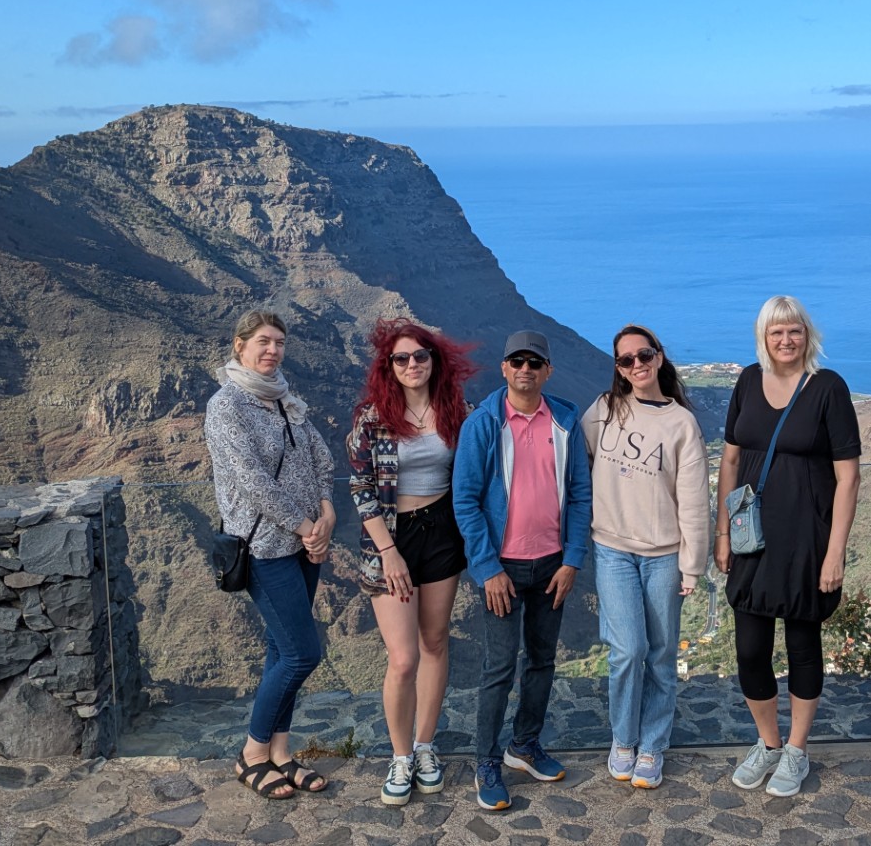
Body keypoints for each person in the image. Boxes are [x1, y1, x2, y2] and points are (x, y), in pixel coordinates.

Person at [714, 295, 861, 798]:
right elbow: (730, 462)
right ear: (764, 336)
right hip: (751, 540)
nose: (786, 339)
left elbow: (848, 477)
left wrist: (835, 552)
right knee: (750, 651)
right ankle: (769, 743)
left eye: (794, 330)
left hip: (807, 539)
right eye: (776, 331)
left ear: (807, 334)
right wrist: (722, 533)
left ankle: (797, 749)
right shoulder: (747, 382)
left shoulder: (828, 388)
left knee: (803, 646)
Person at [453, 330, 595, 811]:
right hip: (503, 569)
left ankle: (525, 745)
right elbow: (465, 501)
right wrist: (487, 568)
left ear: (547, 370)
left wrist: (573, 558)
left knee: (541, 660)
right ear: (504, 367)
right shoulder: (484, 424)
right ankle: (486, 761)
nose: (525, 369)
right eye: (517, 361)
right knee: (499, 667)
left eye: (535, 362)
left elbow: (580, 495)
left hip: (552, 564)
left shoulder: (565, 421)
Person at [204, 309, 339, 801]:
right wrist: (308, 528)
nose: (273, 350)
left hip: (305, 545)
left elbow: (320, 457)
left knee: (280, 651)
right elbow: (252, 481)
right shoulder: (227, 405)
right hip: (264, 548)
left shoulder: (284, 398)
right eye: (263, 341)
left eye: (279, 342)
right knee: (303, 654)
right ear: (239, 345)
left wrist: (327, 511)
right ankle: (252, 753)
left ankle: (280, 753)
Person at [348, 319, 477, 806]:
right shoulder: (373, 418)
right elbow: (361, 488)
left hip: (441, 532)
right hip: (391, 537)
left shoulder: (456, 411)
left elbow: (476, 468)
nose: (411, 365)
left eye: (420, 355)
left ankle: (425, 747)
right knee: (403, 658)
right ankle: (399, 756)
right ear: (389, 366)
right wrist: (388, 553)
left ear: (434, 360)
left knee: (435, 642)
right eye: (401, 358)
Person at [581, 325, 710, 790]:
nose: (637, 365)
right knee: (627, 650)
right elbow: (578, 461)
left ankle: (652, 745)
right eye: (626, 360)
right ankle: (623, 738)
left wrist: (692, 565)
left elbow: (693, 501)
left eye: (644, 355)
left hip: (663, 555)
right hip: (612, 548)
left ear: (658, 357)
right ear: (618, 368)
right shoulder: (604, 410)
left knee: (660, 654)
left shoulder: (681, 423)